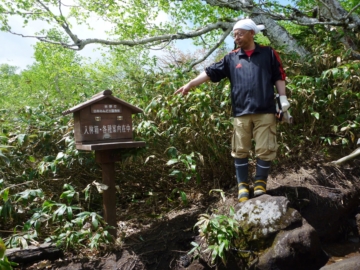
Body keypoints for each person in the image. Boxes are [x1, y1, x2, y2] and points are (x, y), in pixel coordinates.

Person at [175, 18, 290, 202]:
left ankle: (260, 182)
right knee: (240, 149)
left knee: (265, 148)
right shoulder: (231, 57)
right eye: (234, 34)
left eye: (240, 33)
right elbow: (211, 72)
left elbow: (279, 75)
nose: (236, 37)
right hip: (241, 112)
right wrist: (191, 83)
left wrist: (283, 99)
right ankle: (242, 185)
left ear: (252, 33)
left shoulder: (268, 54)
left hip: (265, 110)